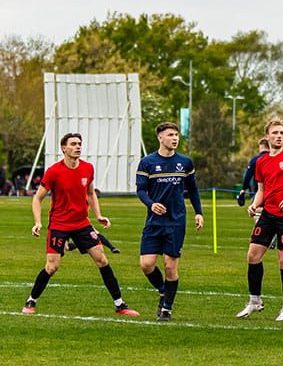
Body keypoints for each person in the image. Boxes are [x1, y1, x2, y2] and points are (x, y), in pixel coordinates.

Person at [22, 133, 139, 317]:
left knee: (102, 259)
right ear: (64, 148)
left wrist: (98, 215)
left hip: (82, 224)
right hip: (59, 225)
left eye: (79, 144)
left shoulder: (88, 168)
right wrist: (38, 222)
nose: (78, 147)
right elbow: (37, 198)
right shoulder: (54, 171)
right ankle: (31, 300)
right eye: (73, 144)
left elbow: (91, 194)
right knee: (52, 266)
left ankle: (120, 305)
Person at [236, 118, 283, 322]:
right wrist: (254, 204)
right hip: (268, 214)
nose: (279, 136)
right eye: (275, 133)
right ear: (267, 136)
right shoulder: (261, 161)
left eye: (282, 133)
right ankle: (255, 301)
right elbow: (262, 190)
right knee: (253, 256)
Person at [136, 122, 204, 322]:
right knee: (146, 264)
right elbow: (140, 190)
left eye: (176, 135)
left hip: (176, 221)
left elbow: (192, 189)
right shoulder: (147, 162)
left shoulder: (185, 162)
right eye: (170, 135)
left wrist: (198, 213)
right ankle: (164, 290)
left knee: (170, 266)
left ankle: (166, 308)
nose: (174, 138)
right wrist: (151, 204)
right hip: (154, 221)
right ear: (160, 138)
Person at [237, 138, 270, 207]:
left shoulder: (255, 159)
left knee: (257, 214)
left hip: (258, 193)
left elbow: (247, 177)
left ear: (261, 146)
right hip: (273, 194)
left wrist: (243, 189)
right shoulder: (275, 158)